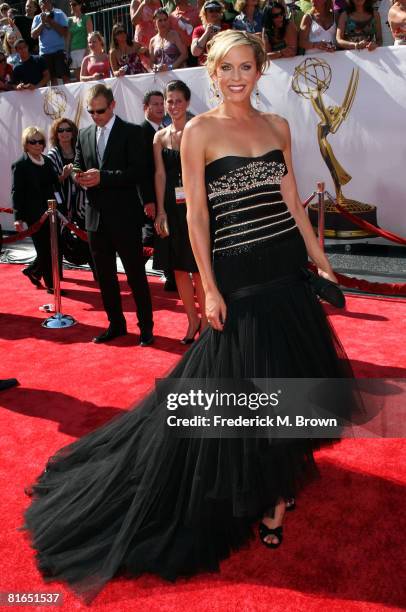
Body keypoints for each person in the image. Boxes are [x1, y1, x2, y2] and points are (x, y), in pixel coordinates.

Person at [23, 30, 365, 602]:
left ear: (260, 71)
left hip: (285, 269)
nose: (237, 77)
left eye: (247, 67)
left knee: (288, 381)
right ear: (212, 71)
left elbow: (292, 201)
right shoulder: (199, 132)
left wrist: (321, 258)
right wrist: (208, 288)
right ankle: (272, 497)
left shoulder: (277, 126)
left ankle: (278, 479)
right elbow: (198, 216)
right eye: (226, 67)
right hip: (238, 274)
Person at [71, 84, 154, 345]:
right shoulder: (83, 134)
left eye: (100, 111)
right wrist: (77, 176)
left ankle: (146, 328)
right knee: (105, 278)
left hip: (125, 217)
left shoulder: (132, 132)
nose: (96, 116)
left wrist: (103, 177)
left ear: (113, 105)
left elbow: (139, 172)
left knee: (135, 277)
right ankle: (115, 324)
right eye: (91, 112)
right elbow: (76, 164)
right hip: (95, 219)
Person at [153, 80, 206, 341]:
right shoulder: (159, 137)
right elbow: (160, 175)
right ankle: (192, 320)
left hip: (196, 207)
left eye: (178, 101)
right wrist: (160, 210)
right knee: (178, 268)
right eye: (169, 101)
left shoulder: (198, 131)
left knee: (198, 268)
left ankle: (207, 324)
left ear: (187, 103)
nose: (173, 106)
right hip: (172, 210)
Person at [11, 126, 59, 291]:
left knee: (52, 247)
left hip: (50, 212)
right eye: (33, 142)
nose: (38, 145)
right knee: (45, 249)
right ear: (26, 144)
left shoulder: (46, 161)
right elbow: (16, 192)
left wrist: (68, 174)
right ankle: (52, 287)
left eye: (41, 142)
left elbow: (55, 182)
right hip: (34, 216)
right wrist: (17, 218)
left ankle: (33, 271)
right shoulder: (20, 165)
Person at [31, 0, 69, 85]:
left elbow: (64, 33)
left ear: (50, 2)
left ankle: (70, 97)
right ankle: (56, 98)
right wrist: (42, 23)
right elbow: (33, 35)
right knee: (52, 78)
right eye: (41, 3)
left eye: (46, 1)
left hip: (59, 51)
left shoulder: (59, 15)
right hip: (45, 53)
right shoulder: (37, 18)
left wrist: (50, 21)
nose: (44, 4)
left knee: (65, 76)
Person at [191, 0, 230, 65]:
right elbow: (195, 52)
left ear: (220, 13)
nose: (214, 13)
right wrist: (206, 33)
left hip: (222, 64)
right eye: (211, 10)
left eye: (217, 10)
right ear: (205, 13)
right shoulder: (198, 30)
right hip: (204, 67)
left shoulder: (226, 28)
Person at [149, 8, 188, 72]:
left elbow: (184, 54)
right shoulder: (152, 41)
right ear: (154, 23)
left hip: (176, 73)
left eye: (165, 20)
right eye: (160, 20)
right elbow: (151, 63)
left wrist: (170, 67)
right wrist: (155, 67)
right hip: (160, 75)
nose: (163, 23)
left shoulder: (174, 35)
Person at [130, 0, 162, 69]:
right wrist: (143, 4)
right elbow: (134, 21)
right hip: (142, 41)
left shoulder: (157, 2)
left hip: (156, 39)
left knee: (158, 66)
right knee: (145, 65)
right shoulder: (135, 2)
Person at [68, 0, 93, 81]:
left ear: (80, 5)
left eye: (74, 4)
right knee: (78, 79)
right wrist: (68, 52)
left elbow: (90, 35)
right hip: (73, 51)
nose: (72, 7)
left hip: (83, 50)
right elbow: (69, 38)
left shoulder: (86, 18)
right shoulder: (70, 21)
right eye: (71, 5)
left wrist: (87, 50)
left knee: (86, 77)